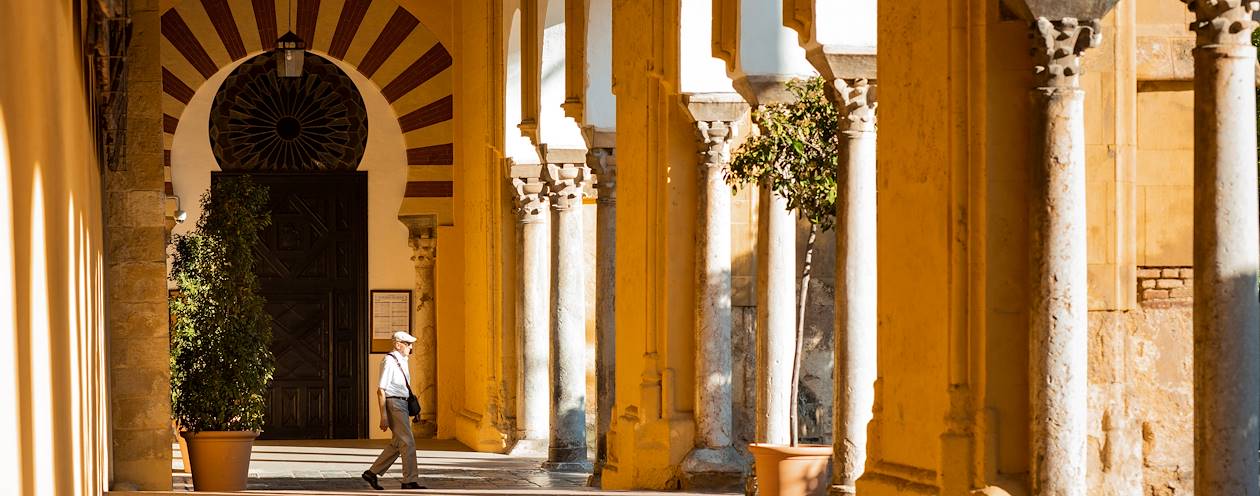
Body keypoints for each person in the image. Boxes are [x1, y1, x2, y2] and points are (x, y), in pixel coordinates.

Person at [362, 331, 425, 490]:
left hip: (402, 403)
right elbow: (381, 390)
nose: (411, 347)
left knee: (398, 443)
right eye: (408, 344)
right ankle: (409, 480)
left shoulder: (402, 360)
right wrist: (383, 416)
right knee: (408, 442)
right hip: (394, 404)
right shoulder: (389, 361)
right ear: (398, 345)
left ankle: (372, 473)